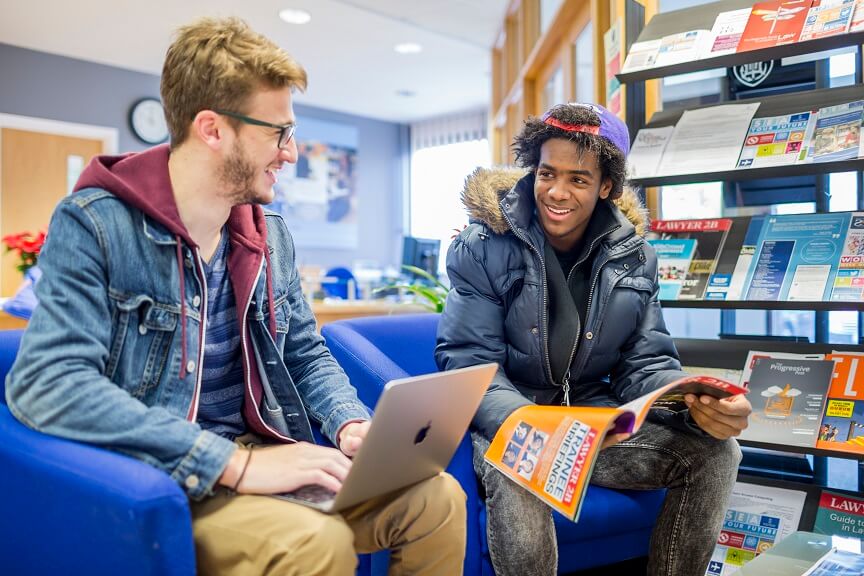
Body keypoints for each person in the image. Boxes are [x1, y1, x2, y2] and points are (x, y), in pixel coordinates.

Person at [5, 17, 466, 576]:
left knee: (437, 498)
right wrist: (232, 465)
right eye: (279, 133)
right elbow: (48, 385)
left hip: (265, 449)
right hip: (171, 473)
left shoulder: (269, 234)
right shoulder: (96, 226)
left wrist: (350, 424)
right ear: (212, 129)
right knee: (316, 544)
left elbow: (302, 351)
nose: (291, 154)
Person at [435, 102, 752, 576]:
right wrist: (530, 422)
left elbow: (644, 364)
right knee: (524, 466)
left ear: (607, 186)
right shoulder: (483, 246)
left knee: (717, 451)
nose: (556, 192)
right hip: (512, 419)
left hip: (592, 423)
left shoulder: (634, 257)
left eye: (578, 180)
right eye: (547, 173)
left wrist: (695, 401)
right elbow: (468, 361)